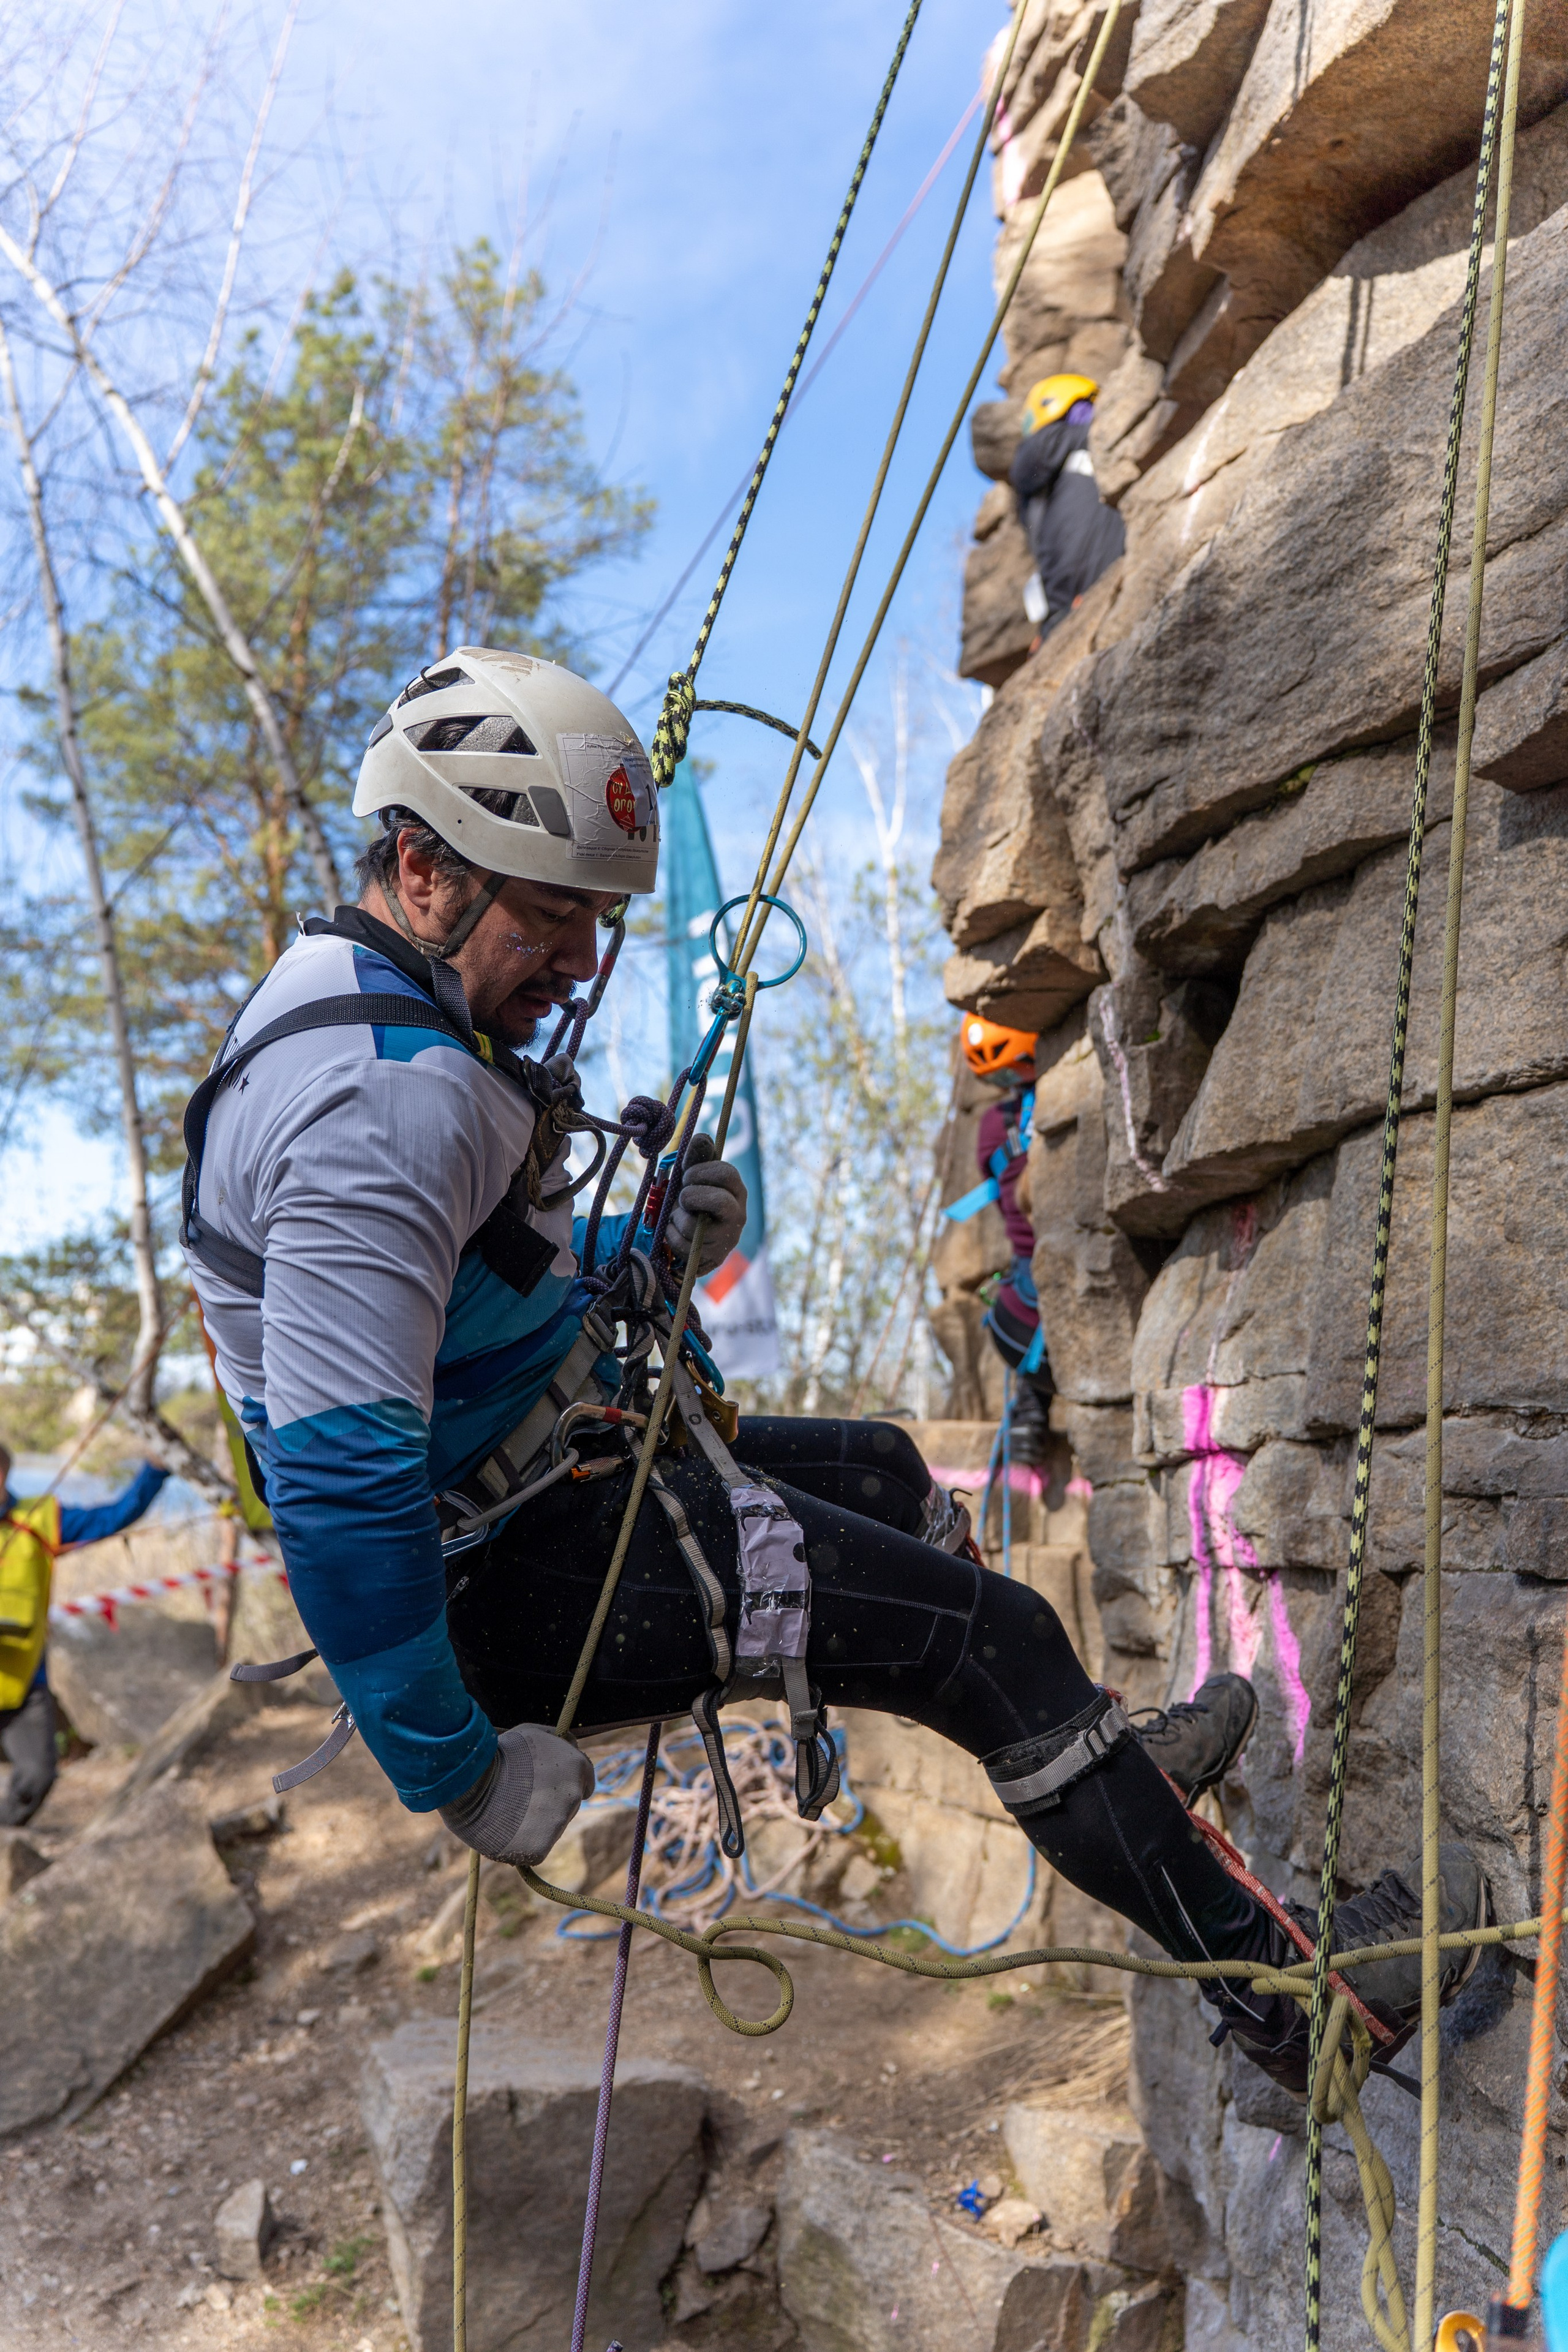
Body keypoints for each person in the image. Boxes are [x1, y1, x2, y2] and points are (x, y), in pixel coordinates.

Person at [183, 647, 1485, 2099]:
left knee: (877, 1465)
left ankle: (1099, 1771)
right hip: (503, 1578)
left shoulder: (376, 1007)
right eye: (553, 914)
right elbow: (342, 1478)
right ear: (424, 868)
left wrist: (635, 1233)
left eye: (597, 920)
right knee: (981, 1638)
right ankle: (1296, 2004)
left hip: (540, 1489)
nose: (577, 962)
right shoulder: (377, 1101)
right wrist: (458, 1772)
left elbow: (445, 1282)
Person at [0, 1444, 171, 1823]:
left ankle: (6, 1837)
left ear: (5, 1472)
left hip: (24, 1684)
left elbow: (114, 1516)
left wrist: (154, 1472)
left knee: (38, 1774)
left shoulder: (40, 1517)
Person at [948, 1015, 1054, 1468]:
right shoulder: (1057, 1095)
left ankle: (1031, 1411)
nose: (1010, 1081)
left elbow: (998, 1189)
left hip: (1017, 1320)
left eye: (1013, 1072)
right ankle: (1032, 1407)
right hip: (1037, 1318)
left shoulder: (995, 1123)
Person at [1009, 372, 1126, 646]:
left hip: (1073, 601)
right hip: (1085, 592)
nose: (1090, 415)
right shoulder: (1060, 447)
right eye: (1083, 408)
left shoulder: (1040, 481)